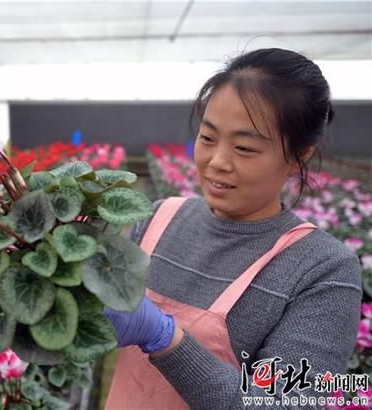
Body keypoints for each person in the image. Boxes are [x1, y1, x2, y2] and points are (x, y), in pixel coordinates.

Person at [104, 48, 363, 409]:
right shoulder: (157, 219)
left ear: (299, 155)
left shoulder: (323, 270)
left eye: (244, 148)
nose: (218, 162)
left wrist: (164, 338)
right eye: (208, 138)